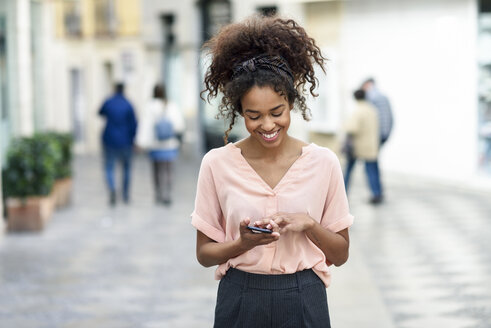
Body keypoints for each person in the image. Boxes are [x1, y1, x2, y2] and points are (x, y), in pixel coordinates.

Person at [192, 15, 354, 328]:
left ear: (291, 103)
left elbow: (342, 253)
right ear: (240, 112)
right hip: (240, 296)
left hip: (305, 295)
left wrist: (309, 225)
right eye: (254, 116)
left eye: (276, 113)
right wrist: (243, 244)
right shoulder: (216, 164)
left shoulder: (324, 163)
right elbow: (204, 254)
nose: (267, 125)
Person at [136, 83, 184, 205]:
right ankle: (167, 193)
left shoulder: (149, 106)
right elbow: (178, 125)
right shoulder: (171, 105)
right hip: (169, 144)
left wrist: (140, 142)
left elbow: (145, 125)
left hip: (155, 144)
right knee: (168, 170)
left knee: (156, 170)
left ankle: (158, 193)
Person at [99, 82, 137, 206]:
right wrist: (133, 139)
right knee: (126, 168)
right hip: (126, 141)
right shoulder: (128, 104)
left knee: (109, 167)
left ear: (114, 89)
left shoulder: (109, 102)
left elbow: (100, 112)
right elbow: (134, 124)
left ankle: (112, 188)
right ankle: (125, 195)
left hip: (109, 140)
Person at [342, 89, 382, 203]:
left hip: (358, 146)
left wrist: (343, 125)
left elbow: (352, 128)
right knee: (372, 171)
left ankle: (342, 193)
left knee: (349, 170)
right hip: (372, 145)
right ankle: (376, 193)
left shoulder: (358, 111)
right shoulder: (372, 109)